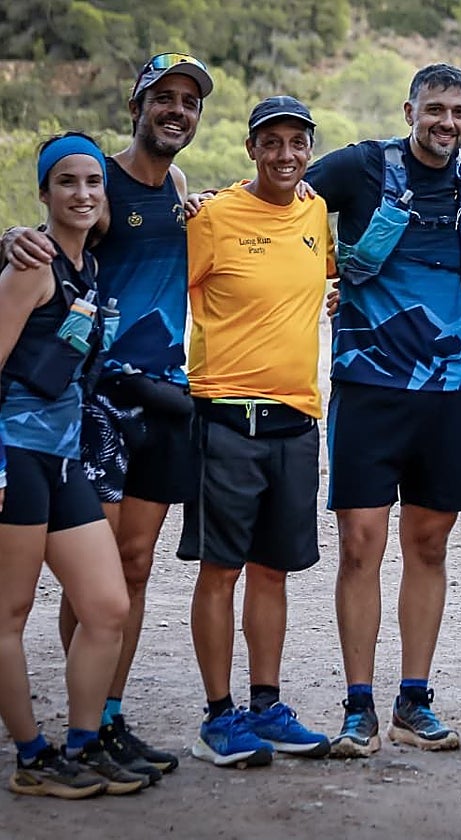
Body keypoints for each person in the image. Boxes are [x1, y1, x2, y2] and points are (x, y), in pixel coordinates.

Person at [0, 52, 214, 776]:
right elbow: (39, 254)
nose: (175, 110)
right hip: (92, 409)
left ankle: (106, 721)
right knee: (90, 583)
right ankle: (69, 729)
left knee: (135, 567)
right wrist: (8, 238)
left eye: (188, 101)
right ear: (137, 105)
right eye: (163, 98)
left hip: (163, 396)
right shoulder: (99, 178)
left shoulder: (178, 186)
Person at [304, 63, 461, 755]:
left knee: (429, 545)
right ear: (410, 108)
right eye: (436, 109)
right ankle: (358, 706)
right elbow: (283, 198)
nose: (447, 123)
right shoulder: (360, 167)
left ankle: (412, 702)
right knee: (360, 546)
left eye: (459, 112)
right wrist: (325, 278)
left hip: (446, 394)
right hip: (366, 390)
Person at [179, 96, 333, 768]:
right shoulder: (212, 217)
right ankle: (219, 716)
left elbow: (323, 281)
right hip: (226, 421)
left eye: (296, 142)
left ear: (309, 148)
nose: (285, 154)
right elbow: (164, 284)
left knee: (274, 572)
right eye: (270, 142)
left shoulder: (316, 212)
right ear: (250, 149)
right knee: (221, 571)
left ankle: (266, 706)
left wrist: (336, 293)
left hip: (297, 423)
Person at [1, 133, 151, 797]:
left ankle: (84, 745)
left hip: (62, 459)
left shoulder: (86, 265)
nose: (84, 193)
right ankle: (34, 759)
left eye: (93, 181)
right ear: (44, 193)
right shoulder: (30, 265)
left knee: (107, 606)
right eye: (67, 182)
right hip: (15, 459)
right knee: (9, 614)